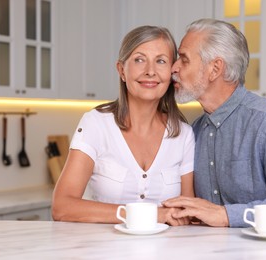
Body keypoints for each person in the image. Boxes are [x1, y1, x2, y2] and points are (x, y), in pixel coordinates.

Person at [163, 18, 266, 228]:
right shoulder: (193, 131)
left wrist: (227, 215)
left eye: (184, 59)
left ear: (215, 69)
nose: (174, 67)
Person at [52, 25, 195, 225]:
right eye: (139, 60)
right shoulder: (96, 124)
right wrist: (151, 215)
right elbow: (62, 207)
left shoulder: (184, 135)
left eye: (161, 61)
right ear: (121, 70)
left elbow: (188, 213)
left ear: (171, 72)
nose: (150, 71)